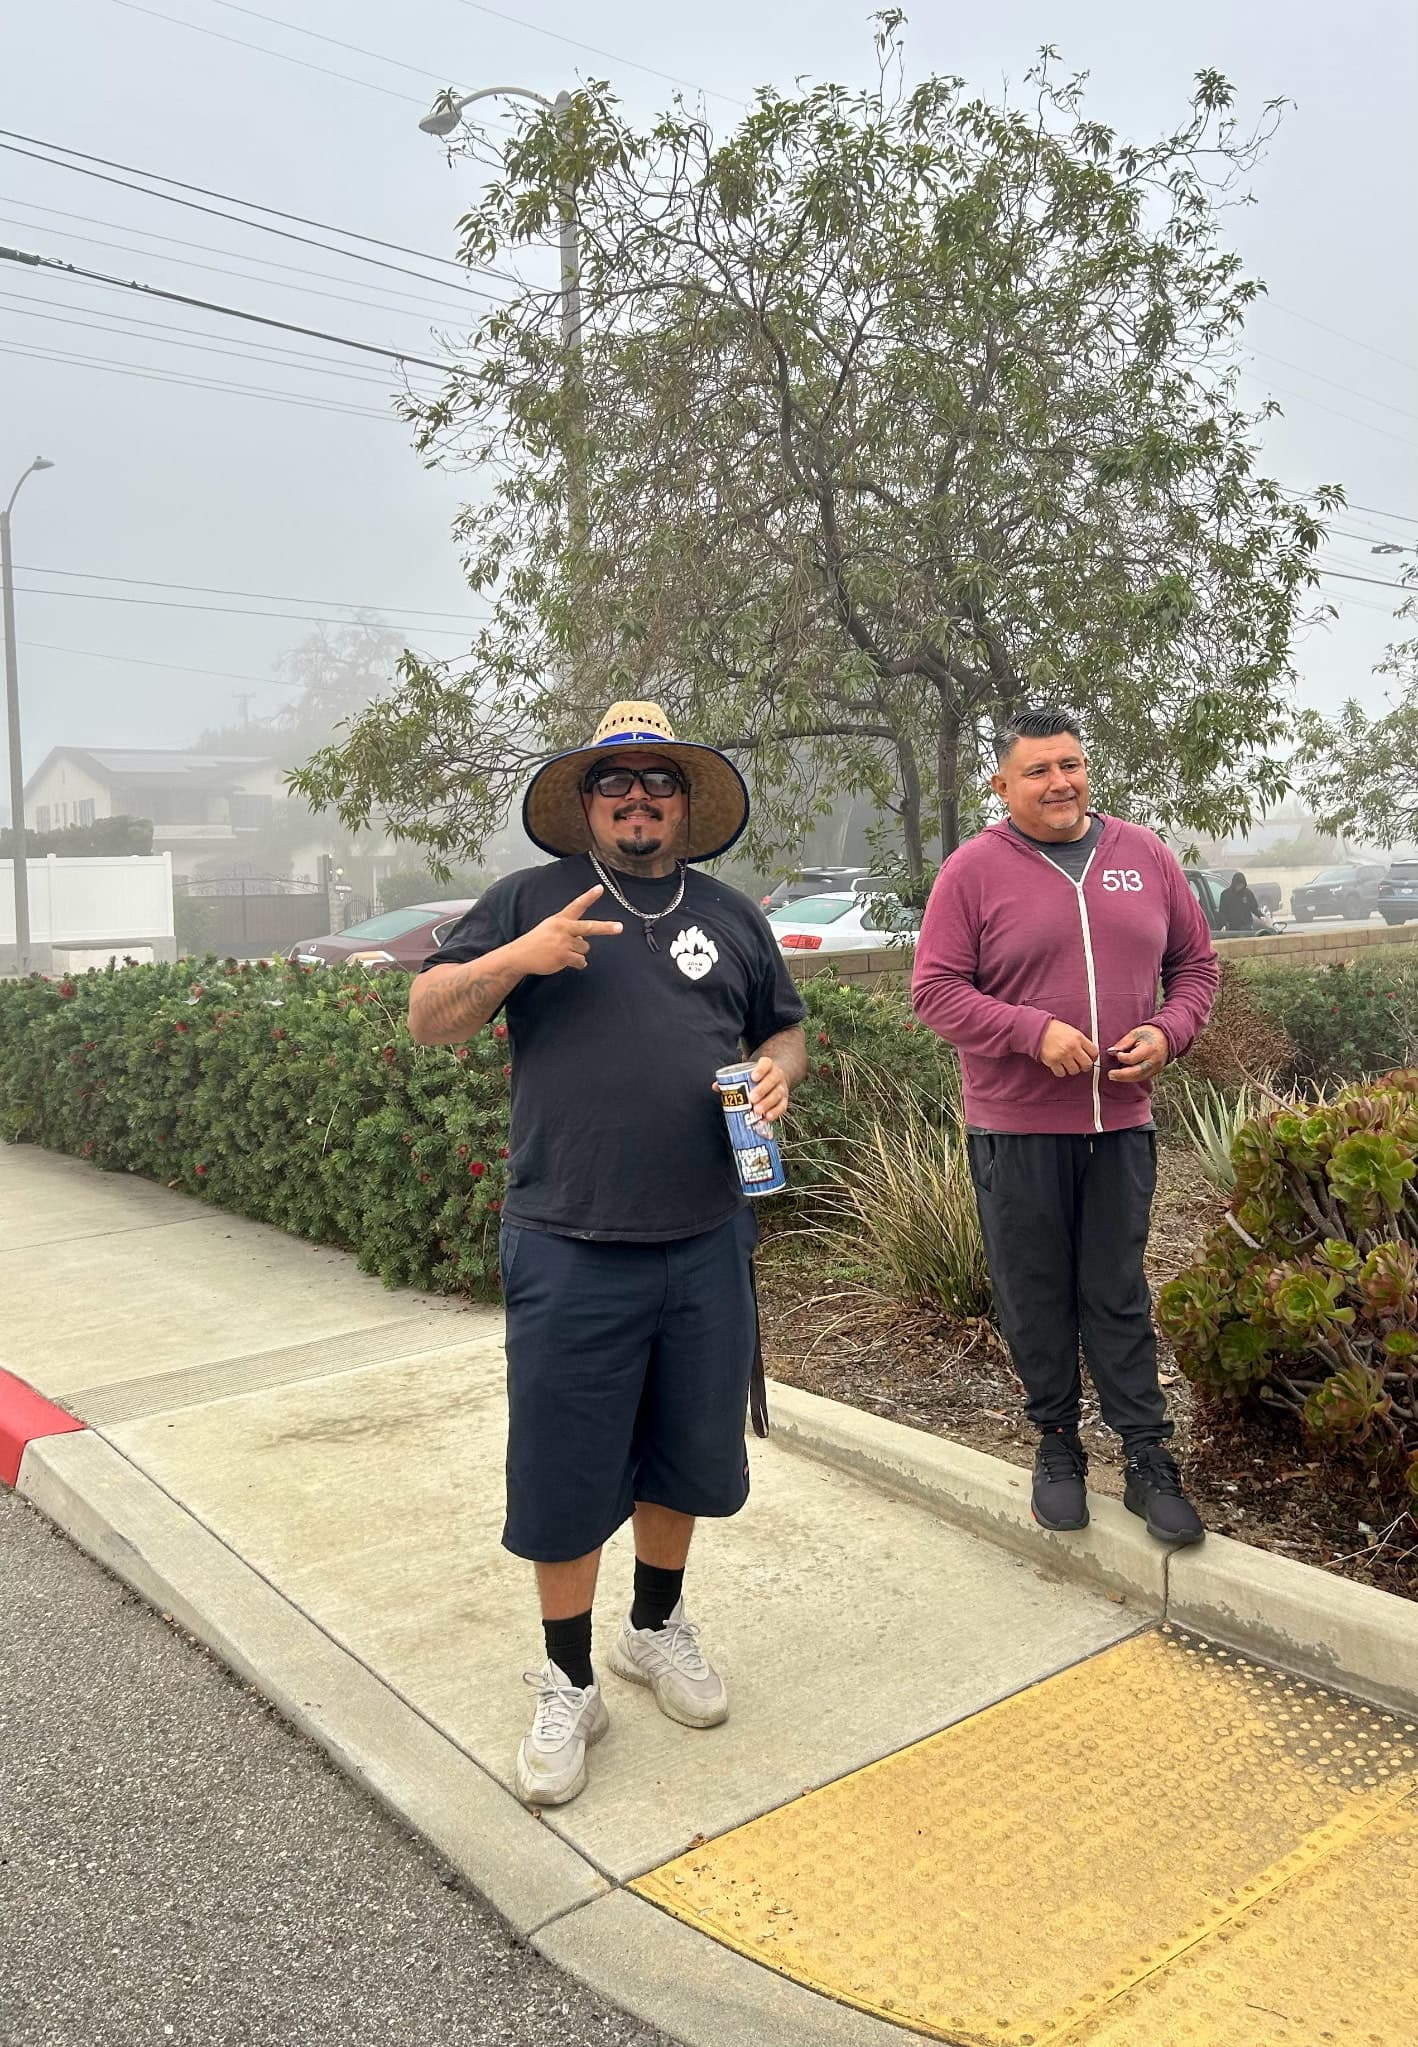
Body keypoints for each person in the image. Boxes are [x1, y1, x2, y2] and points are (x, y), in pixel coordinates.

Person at [410, 700, 807, 1808]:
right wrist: (517, 960)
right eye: (614, 785)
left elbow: (781, 1024)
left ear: (684, 802)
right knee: (564, 1467)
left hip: (704, 1230)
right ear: (585, 803)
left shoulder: (729, 915)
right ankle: (568, 1676)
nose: (637, 801)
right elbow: (428, 1014)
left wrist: (779, 1071)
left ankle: (653, 1626)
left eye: (658, 784)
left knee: (686, 1448)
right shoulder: (532, 900)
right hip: (569, 1239)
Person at [911, 708, 1219, 1546]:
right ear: (1002, 785)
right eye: (1039, 770)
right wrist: (1028, 1030)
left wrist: (1170, 1030)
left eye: (1072, 764)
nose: (1060, 782)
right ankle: (1056, 1442)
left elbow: (1195, 964)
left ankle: (1147, 1455)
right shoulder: (972, 872)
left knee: (1116, 1290)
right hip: (1016, 1127)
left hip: (1121, 1120)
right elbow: (934, 990)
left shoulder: (1145, 854)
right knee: (1034, 1290)